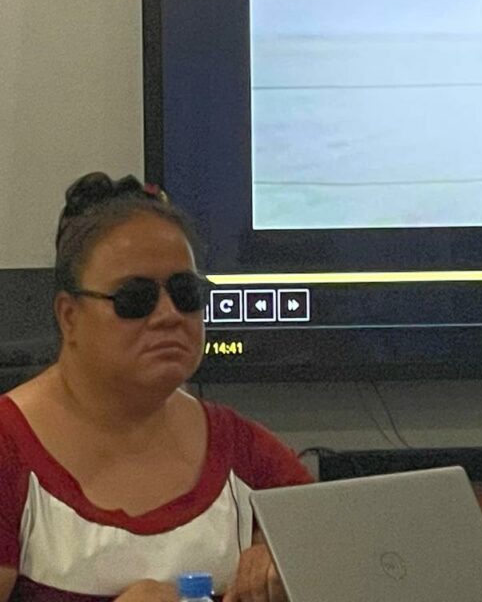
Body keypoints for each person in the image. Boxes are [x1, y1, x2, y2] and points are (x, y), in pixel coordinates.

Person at [0, 173, 313, 602]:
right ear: (69, 316)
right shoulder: (7, 450)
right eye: (136, 298)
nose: (169, 315)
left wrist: (293, 566)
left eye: (186, 292)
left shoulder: (247, 455)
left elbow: (350, 560)